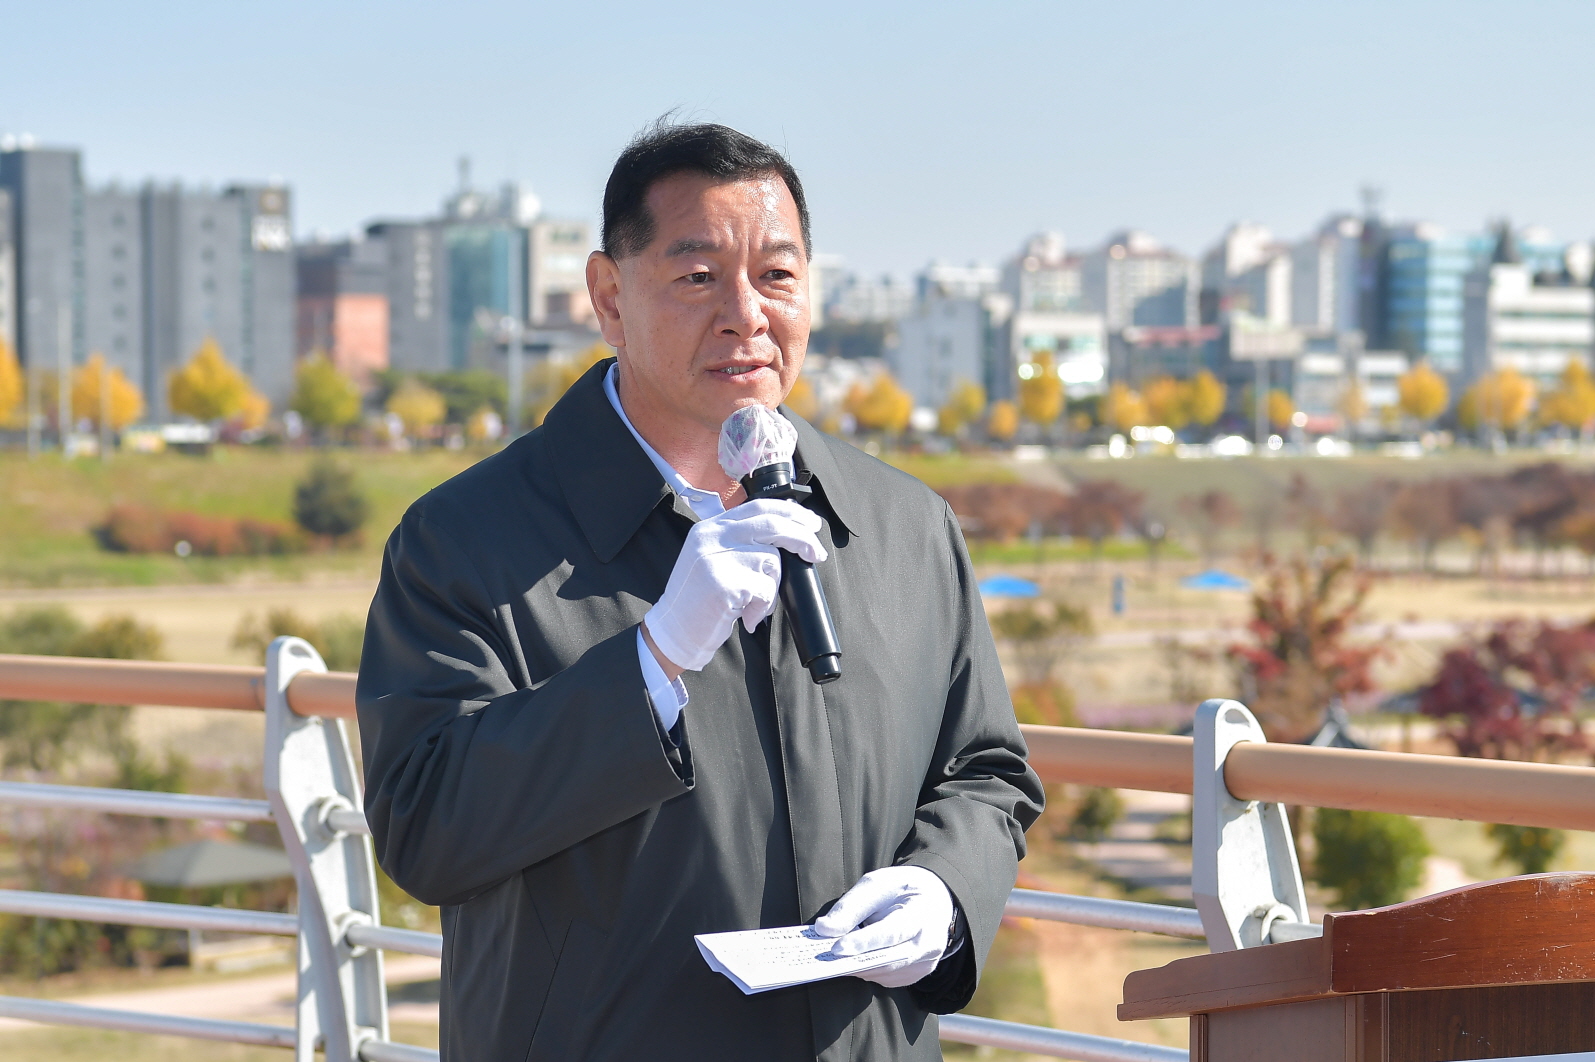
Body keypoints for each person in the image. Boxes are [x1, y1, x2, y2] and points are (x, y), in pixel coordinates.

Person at [357, 122, 1043, 1062]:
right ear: (609, 297)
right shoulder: (465, 539)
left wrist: (944, 892)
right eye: (697, 276)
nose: (745, 314)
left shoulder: (904, 526)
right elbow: (425, 828)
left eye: (777, 275)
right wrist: (653, 661)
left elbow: (985, 770)